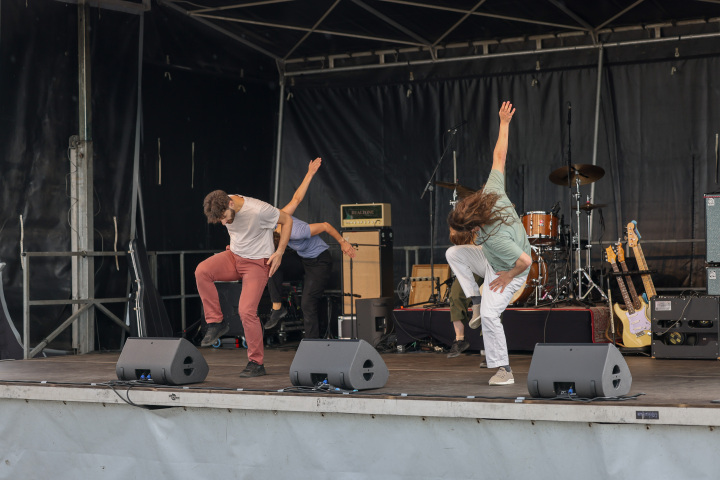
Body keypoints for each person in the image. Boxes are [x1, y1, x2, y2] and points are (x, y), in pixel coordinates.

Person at [445, 101, 532, 386]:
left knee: (491, 314)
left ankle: (504, 369)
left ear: (477, 225)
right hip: (489, 256)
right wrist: (504, 124)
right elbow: (499, 157)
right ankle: (475, 299)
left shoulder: (498, 236)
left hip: (509, 269)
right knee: (453, 252)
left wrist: (506, 277)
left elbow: (525, 262)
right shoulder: (491, 192)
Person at [195, 191, 292, 378]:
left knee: (246, 311)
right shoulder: (223, 200)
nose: (224, 223)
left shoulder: (259, 211)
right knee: (202, 271)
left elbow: (287, 220)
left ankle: (256, 362)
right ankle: (216, 322)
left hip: (256, 263)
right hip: (234, 256)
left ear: (231, 205)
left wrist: (279, 252)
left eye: (224, 218)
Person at [266, 158, 356, 338]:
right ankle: (277, 308)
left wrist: (343, 242)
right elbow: (296, 198)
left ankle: (312, 343)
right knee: (272, 264)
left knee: (307, 303)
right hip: (302, 259)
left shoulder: (297, 231)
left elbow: (325, 225)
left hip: (319, 261)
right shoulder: (271, 225)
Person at [445, 228, 481, 359]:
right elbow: (455, 236)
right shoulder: (460, 213)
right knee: (455, 294)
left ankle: (490, 349)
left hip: (488, 260)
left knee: (492, 301)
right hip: (469, 262)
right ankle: (460, 340)